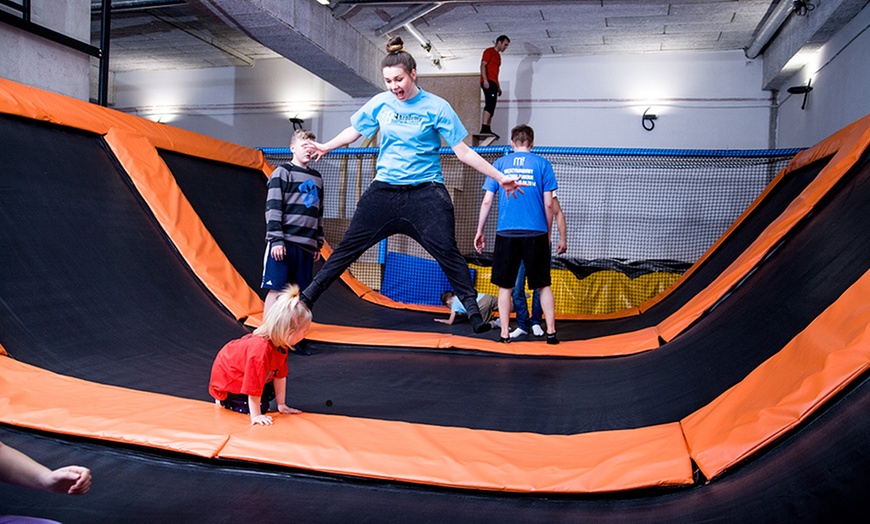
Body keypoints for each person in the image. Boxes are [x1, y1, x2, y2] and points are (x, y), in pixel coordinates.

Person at [301, 36, 521, 335]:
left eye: (399, 79)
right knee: (347, 249)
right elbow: (355, 130)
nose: (394, 86)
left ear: (413, 74)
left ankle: (473, 310)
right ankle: (306, 299)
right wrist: (326, 146)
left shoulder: (437, 106)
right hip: (384, 193)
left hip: (425, 194)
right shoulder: (381, 103)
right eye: (389, 81)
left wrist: (498, 176)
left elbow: (464, 151)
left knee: (447, 250)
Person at [474, 124, 559, 344]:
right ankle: (551, 332)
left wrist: (480, 230)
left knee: (506, 286)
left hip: (507, 231)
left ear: (512, 143)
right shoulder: (543, 164)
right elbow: (549, 205)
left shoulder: (500, 164)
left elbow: (486, 201)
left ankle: (504, 333)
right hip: (536, 232)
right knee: (543, 284)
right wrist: (547, 233)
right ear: (532, 143)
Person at [210, 285, 311, 426]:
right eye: (303, 331)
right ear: (289, 333)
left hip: (242, 373)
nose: (305, 335)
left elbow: (280, 375)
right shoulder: (261, 350)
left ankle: (242, 400)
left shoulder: (281, 345)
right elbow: (253, 384)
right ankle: (225, 400)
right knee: (261, 406)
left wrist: (282, 404)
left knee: (269, 393)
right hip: (228, 382)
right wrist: (256, 416)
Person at [262, 129, 324, 316]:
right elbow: (273, 208)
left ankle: (290, 331)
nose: (308, 150)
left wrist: (317, 243)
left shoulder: (317, 178)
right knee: (277, 289)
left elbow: (318, 212)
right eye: (304, 145)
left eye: (311, 147)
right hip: (285, 243)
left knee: (298, 293)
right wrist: (276, 240)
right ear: (292, 148)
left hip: (306, 246)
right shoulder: (282, 173)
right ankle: (267, 332)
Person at [511, 193, 566, 338]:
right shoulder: (516, 185)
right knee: (516, 286)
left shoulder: (544, 186)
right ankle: (522, 324)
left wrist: (563, 238)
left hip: (539, 241)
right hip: (518, 241)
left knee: (539, 285)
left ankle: (536, 321)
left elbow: (557, 212)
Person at [479, 35, 510, 138]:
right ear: (499, 42)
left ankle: (487, 127)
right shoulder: (489, 51)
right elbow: (483, 65)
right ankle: (484, 127)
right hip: (488, 81)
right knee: (490, 103)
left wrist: (498, 86)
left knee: (492, 105)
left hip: (493, 82)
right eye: (505, 45)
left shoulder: (498, 56)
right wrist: (485, 80)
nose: (505, 47)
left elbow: (496, 73)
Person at [435, 290, 501, 329]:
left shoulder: (454, 306)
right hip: (486, 296)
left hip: (482, 305)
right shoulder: (460, 296)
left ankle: (496, 323)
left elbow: (450, 322)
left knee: (483, 325)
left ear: (447, 303)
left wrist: (441, 320)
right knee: (504, 306)